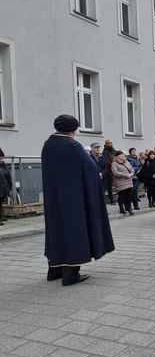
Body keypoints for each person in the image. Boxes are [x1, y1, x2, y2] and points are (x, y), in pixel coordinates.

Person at [41, 115, 114, 286]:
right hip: (73, 199)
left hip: (54, 199)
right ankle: (70, 273)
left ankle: (54, 269)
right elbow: (91, 168)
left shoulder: (48, 145)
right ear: (73, 129)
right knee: (74, 230)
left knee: (56, 230)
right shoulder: (72, 145)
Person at [112, 150, 135, 215]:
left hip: (129, 181)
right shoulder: (114, 163)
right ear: (118, 156)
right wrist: (125, 175)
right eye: (122, 155)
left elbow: (132, 169)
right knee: (122, 196)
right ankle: (121, 208)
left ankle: (129, 208)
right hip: (120, 182)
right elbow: (115, 172)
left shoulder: (127, 162)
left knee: (129, 195)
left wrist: (131, 174)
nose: (123, 156)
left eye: (123, 155)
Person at [0, 148, 13, 225]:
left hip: (3, 188)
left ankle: (1, 216)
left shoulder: (3, 165)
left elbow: (7, 176)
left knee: (0, 203)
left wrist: (9, 186)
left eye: (2, 158)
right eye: (0, 158)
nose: (1, 160)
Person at [102, 139, 116, 205]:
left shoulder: (113, 150)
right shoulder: (105, 152)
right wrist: (114, 165)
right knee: (109, 186)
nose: (111, 144)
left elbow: (116, 158)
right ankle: (111, 200)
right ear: (106, 144)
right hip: (109, 170)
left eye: (111, 143)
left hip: (115, 168)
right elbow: (107, 162)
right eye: (109, 143)